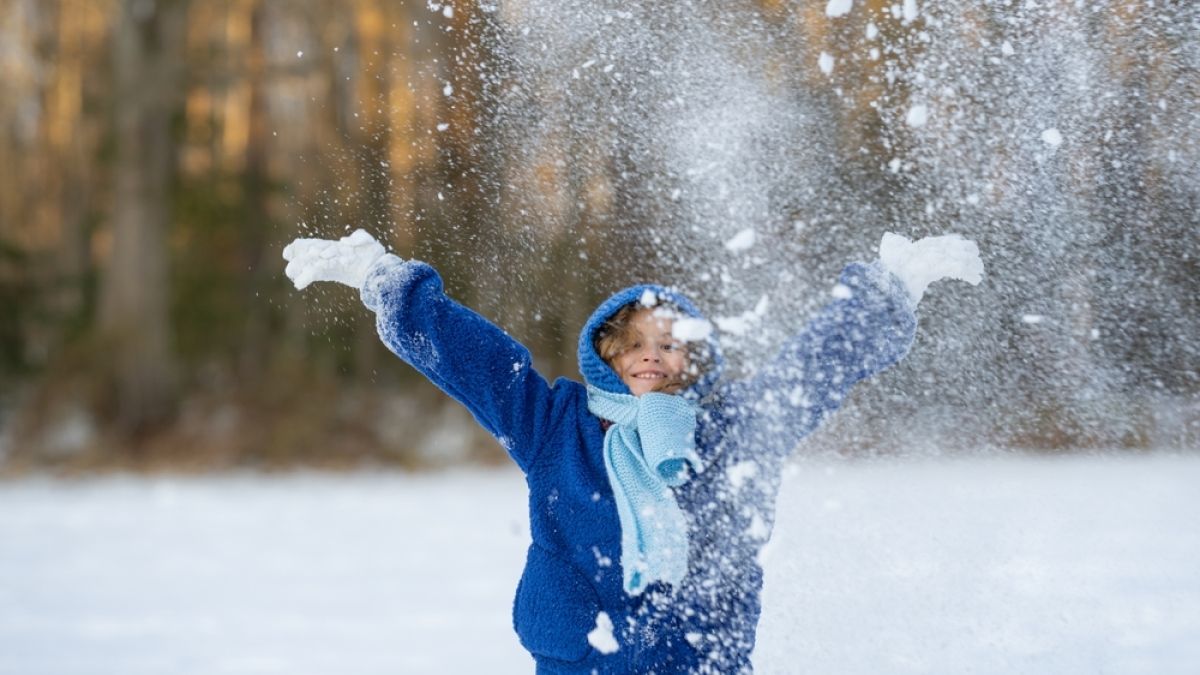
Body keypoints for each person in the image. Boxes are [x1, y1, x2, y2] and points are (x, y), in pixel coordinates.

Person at [282, 229, 982, 673]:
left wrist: (889, 294)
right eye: (636, 342)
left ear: (694, 357)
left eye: (670, 342)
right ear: (607, 351)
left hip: (699, 661)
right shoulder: (557, 420)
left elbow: (809, 373)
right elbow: (479, 360)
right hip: (579, 655)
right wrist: (388, 283)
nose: (653, 355)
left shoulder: (733, 429)